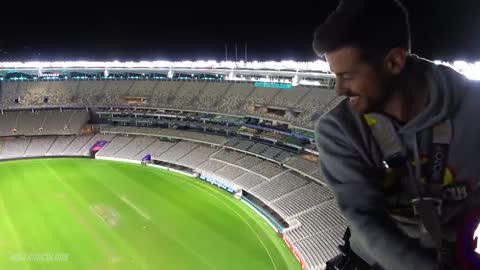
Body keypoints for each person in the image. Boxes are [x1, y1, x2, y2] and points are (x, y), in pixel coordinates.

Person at [312, 0, 480, 269]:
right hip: (371, 262)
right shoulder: (339, 129)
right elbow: (367, 221)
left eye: (348, 75)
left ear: (394, 61)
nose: (339, 90)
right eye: (335, 76)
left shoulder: (473, 109)